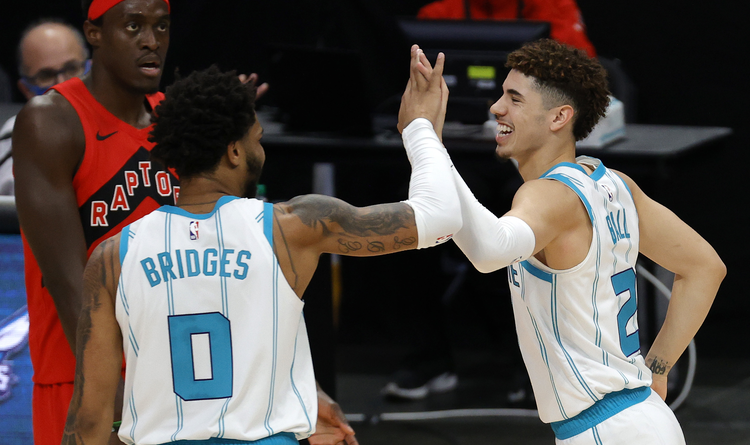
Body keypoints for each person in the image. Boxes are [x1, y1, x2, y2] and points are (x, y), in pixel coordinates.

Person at [61, 51, 458, 444]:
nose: (262, 152)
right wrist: (420, 127)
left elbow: (90, 419)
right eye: (258, 140)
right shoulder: (292, 227)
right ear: (235, 151)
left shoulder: (113, 256)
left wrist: (303, 389)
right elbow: (441, 217)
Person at [419, 38, 725, 443]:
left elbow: (488, 251)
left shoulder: (546, 195)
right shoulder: (617, 185)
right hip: (642, 418)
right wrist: (659, 367)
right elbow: (705, 267)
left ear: (559, 117)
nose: (496, 108)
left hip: (606, 428)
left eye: (514, 98)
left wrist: (423, 138)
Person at [11, 2, 259, 445]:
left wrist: (237, 139)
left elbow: (232, 251)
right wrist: (108, 404)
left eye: (161, 26)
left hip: (185, 376)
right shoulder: (51, 121)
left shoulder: (180, 119)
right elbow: (70, 285)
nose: (152, 41)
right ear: (95, 33)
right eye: (133, 26)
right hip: (84, 379)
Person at [0, 18, 91, 196]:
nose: (63, 84)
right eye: (46, 75)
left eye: (72, 68)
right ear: (26, 90)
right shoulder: (15, 138)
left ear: (92, 69)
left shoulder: (126, 120)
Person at [417, 0, 596, 57]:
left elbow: (583, 66)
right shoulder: (436, 14)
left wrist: (541, 7)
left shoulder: (555, 6)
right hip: (451, 125)